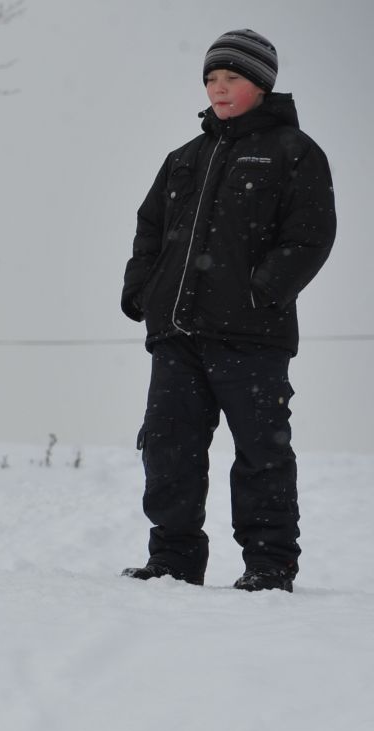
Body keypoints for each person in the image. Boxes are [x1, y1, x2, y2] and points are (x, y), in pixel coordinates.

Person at [120, 28, 335, 592]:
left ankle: (268, 567)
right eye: (212, 78)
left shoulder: (294, 152)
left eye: (232, 77)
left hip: (251, 336)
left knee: (260, 453)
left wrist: (260, 292)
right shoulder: (184, 158)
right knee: (169, 447)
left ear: (261, 84)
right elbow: (150, 230)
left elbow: (310, 236)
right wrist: (143, 292)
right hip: (176, 334)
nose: (219, 88)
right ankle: (172, 560)